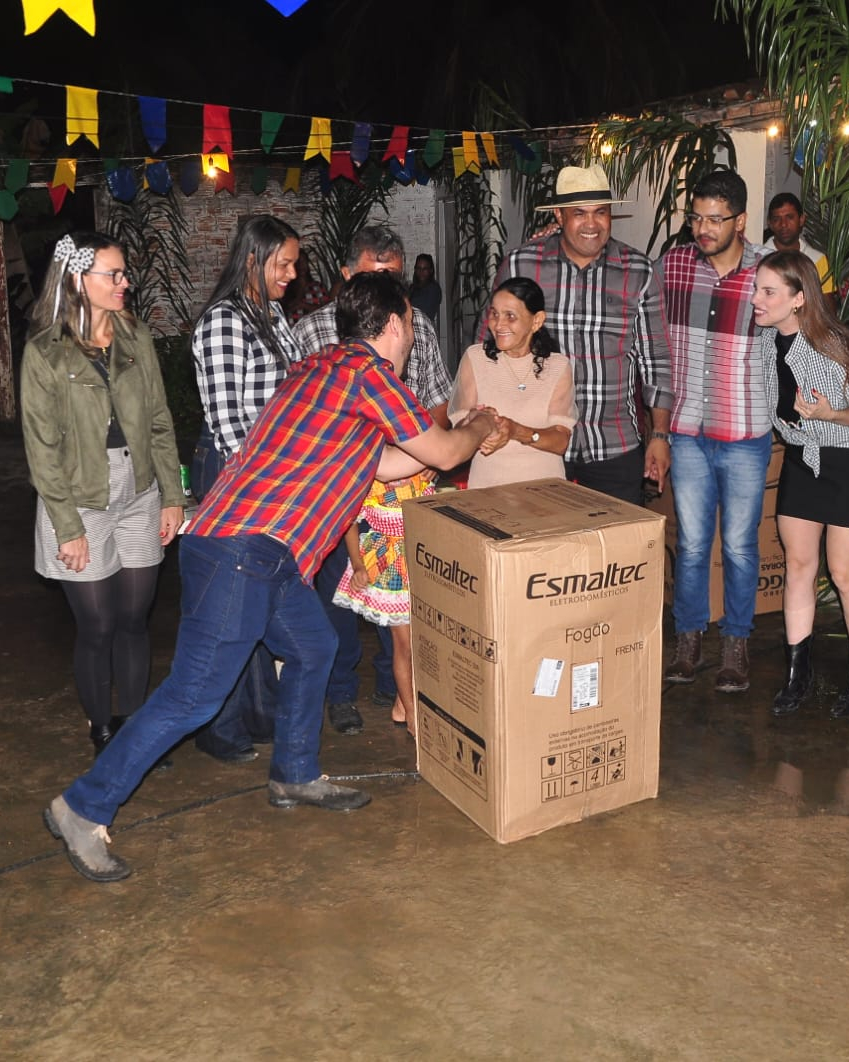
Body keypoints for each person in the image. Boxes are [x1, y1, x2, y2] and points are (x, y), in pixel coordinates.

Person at [42, 271, 506, 882]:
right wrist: (481, 425)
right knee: (194, 695)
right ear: (395, 324)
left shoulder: (321, 371)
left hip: (263, 552)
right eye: (413, 328)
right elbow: (443, 453)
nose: (414, 339)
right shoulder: (368, 374)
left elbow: (387, 463)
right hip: (243, 550)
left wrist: (461, 434)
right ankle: (83, 807)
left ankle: (294, 773)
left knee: (313, 647)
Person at [20, 232, 187, 755]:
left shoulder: (135, 337)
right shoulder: (45, 351)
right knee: (98, 624)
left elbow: (159, 420)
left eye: (123, 272)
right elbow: (42, 449)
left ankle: (134, 725)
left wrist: (173, 495)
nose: (124, 282)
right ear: (78, 279)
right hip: (79, 498)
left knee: (135, 618)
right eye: (112, 274)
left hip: (140, 489)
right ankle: (102, 727)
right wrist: (66, 527)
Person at [293, 224, 454, 733]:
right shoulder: (313, 333)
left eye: (393, 278)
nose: (385, 290)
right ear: (346, 274)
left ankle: (397, 690)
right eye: (372, 276)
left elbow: (438, 399)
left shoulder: (415, 323)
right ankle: (341, 692)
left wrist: (426, 450)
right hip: (342, 490)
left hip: (407, 485)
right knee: (339, 593)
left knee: (405, 614)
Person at [188, 215, 303, 764]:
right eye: (284, 263)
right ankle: (219, 724)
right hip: (234, 471)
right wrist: (263, 481)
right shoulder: (223, 322)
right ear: (253, 260)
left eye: (294, 264)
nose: (292, 274)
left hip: (266, 471)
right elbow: (227, 419)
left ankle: (259, 711)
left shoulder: (272, 314)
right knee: (230, 605)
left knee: (258, 598)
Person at [751, 251, 849, 718]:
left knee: (845, 574)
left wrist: (831, 413)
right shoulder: (765, 342)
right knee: (799, 567)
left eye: (768, 291)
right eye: (756, 288)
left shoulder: (829, 344)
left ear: (798, 299)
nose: (756, 299)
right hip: (802, 460)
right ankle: (797, 675)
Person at [492, 163, 671, 507]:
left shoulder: (639, 271)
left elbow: (656, 360)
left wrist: (660, 435)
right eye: (579, 213)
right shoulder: (521, 266)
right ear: (559, 216)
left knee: (616, 540)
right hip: (537, 441)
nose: (592, 224)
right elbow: (491, 350)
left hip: (613, 444)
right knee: (539, 539)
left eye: (600, 212)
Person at [660, 168, 776, 693]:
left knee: (740, 546)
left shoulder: (767, 272)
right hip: (687, 430)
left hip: (746, 431)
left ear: (741, 220)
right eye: (696, 218)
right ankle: (688, 643)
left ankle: (735, 644)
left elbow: (806, 327)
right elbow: (637, 308)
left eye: (715, 219)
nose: (703, 229)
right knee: (690, 545)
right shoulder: (675, 264)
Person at [334, 467, 435, 732]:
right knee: (405, 645)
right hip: (390, 569)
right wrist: (358, 565)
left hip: (421, 559)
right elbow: (349, 523)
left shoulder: (420, 476)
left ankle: (401, 705)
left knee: (421, 641)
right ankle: (412, 714)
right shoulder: (370, 483)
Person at [449, 277, 576, 488]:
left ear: (537, 321)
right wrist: (475, 419)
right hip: (487, 489)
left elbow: (560, 441)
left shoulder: (558, 366)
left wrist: (516, 431)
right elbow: (458, 435)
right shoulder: (475, 358)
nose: (499, 325)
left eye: (510, 316)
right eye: (494, 314)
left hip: (545, 491)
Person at [765, 193, 835, 297]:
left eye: (789, 217)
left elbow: (827, 304)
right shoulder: (759, 258)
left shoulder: (818, 260)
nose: (783, 224)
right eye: (776, 219)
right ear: (770, 223)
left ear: (801, 219)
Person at [282, 247, 331, 324]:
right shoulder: (286, 287)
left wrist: (305, 306)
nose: (302, 265)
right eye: (299, 262)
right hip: (293, 327)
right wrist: (301, 290)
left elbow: (327, 310)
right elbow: (284, 310)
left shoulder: (317, 286)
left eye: (304, 262)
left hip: (313, 326)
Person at [409, 252, 441, 323]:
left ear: (431, 270)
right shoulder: (412, 288)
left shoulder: (433, 289)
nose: (421, 271)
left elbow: (425, 313)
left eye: (425, 268)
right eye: (419, 268)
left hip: (423, 326)